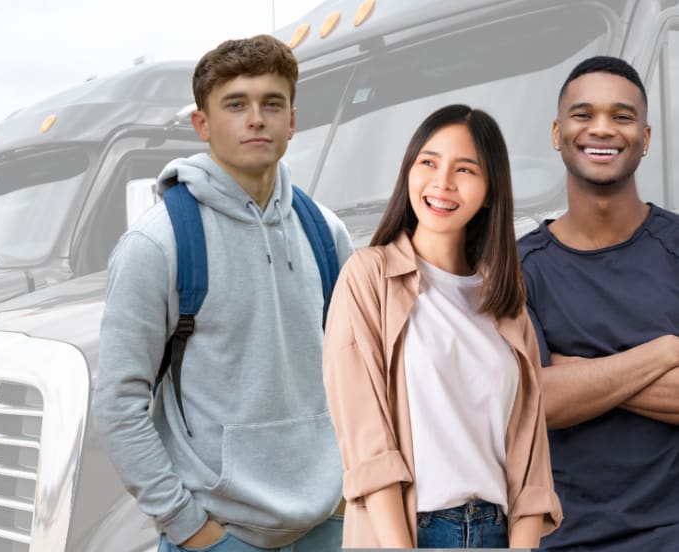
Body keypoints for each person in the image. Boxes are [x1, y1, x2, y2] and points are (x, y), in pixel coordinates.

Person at [93, 35, 354, 551]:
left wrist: (346, 492)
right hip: (220, 534)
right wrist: (189, 527)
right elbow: (118, 404)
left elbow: (358, 376)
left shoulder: (326, 232)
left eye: (272, 104)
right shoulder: (158, 243)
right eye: (235, 105)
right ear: (202, 124)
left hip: (328, 525)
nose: (256, 119)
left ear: (291, 121)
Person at [323, 104, 562, 548]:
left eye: (465, 169)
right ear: (409, 172)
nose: (443, 182)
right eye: (429, 162)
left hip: (497, 532)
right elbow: (366, 440)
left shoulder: (507, 302)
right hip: (412, 531)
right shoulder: (369, 277)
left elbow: (531, 457)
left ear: (490, 191)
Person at [518, 56, 679, 550]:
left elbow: (548, 390)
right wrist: (665, 351)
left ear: (645, 138)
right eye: (583, 114)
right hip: (565, 538)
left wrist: (573, 373)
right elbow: (532, 403)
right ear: (557, 133)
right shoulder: (519, 269)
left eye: (622, 116)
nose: (602, 129)